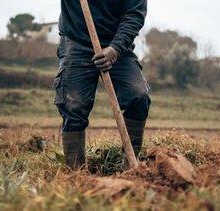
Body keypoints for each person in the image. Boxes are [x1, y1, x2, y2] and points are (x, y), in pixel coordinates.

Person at [53, 0, 151, 170]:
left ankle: (130, 169)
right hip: (76, 42)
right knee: (73, 106)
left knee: (138, 96)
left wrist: (115, 49)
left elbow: (133, 16)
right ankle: (76, 175)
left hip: (117, 45)